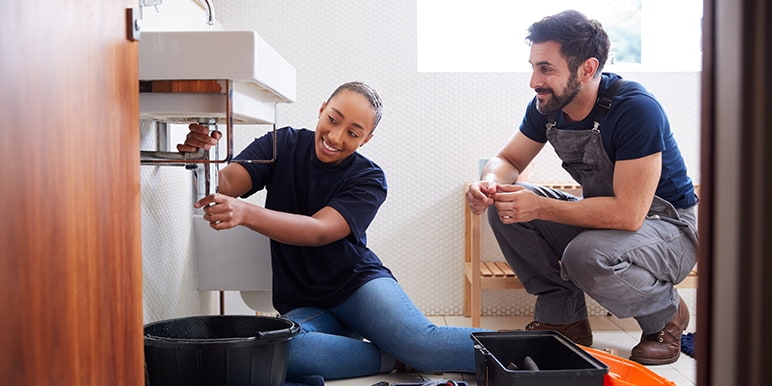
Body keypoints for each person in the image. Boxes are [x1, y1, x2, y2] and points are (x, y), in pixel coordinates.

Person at [179, 81, 487, 380]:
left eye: (353, 133)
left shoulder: (369, 178)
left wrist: (246, 212)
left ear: (366, 139)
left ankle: (526, 347)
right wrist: (202, 157)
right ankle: (393, 356)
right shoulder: (280, 144)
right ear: (322, 109)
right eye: (333, 120)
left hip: (358, 286)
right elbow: (228, 182)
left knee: (422, 344)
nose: (336, 137)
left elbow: (318, 231)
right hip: (303, 301)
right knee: (284, 347)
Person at [465, 10, 698, 365]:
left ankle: (665, 315)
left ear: (588, 68)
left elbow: (629, 214)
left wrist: (540, 207)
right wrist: (490, 184)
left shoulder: (635, 109)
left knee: (584, 254)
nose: (533, 81)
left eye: (546, 68)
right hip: (609, 220)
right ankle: (566, 319)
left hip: (668, 228)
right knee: (506, 207)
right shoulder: (548, 105)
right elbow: (509, 160)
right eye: (533, 66)